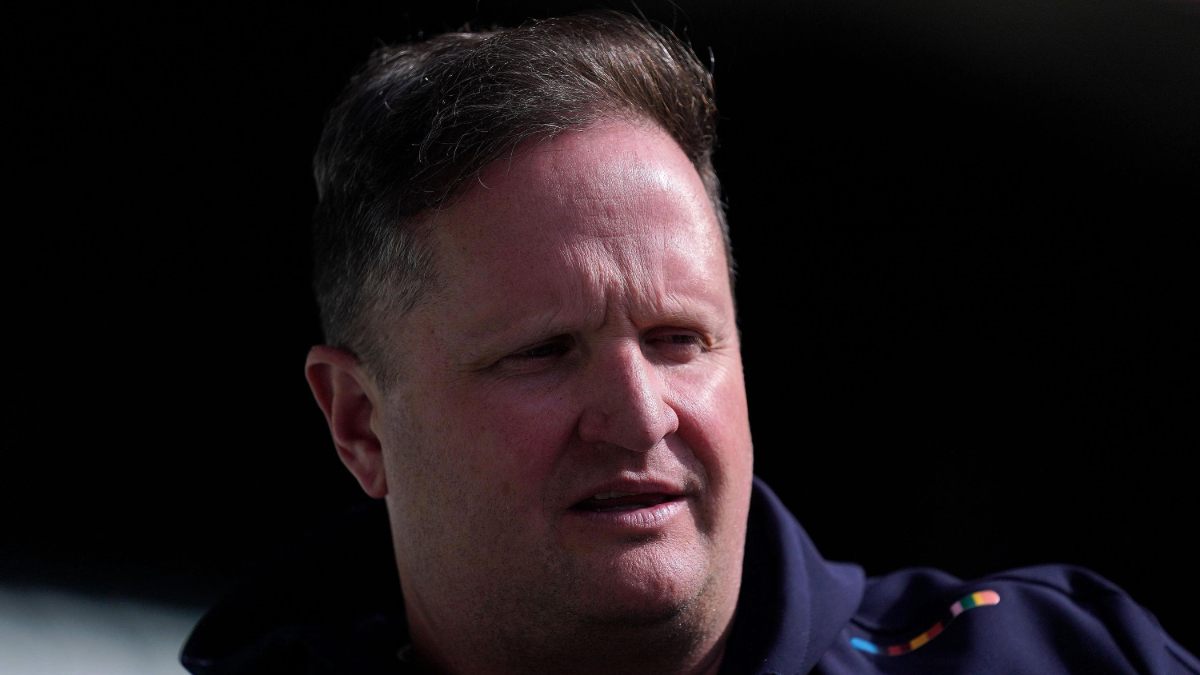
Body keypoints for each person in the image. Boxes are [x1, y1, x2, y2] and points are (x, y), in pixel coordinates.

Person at [181, 11, 1198, 675]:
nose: (639, 415)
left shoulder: (1067, 656)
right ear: (360, 424)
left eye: (678, 338)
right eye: (543, 351)